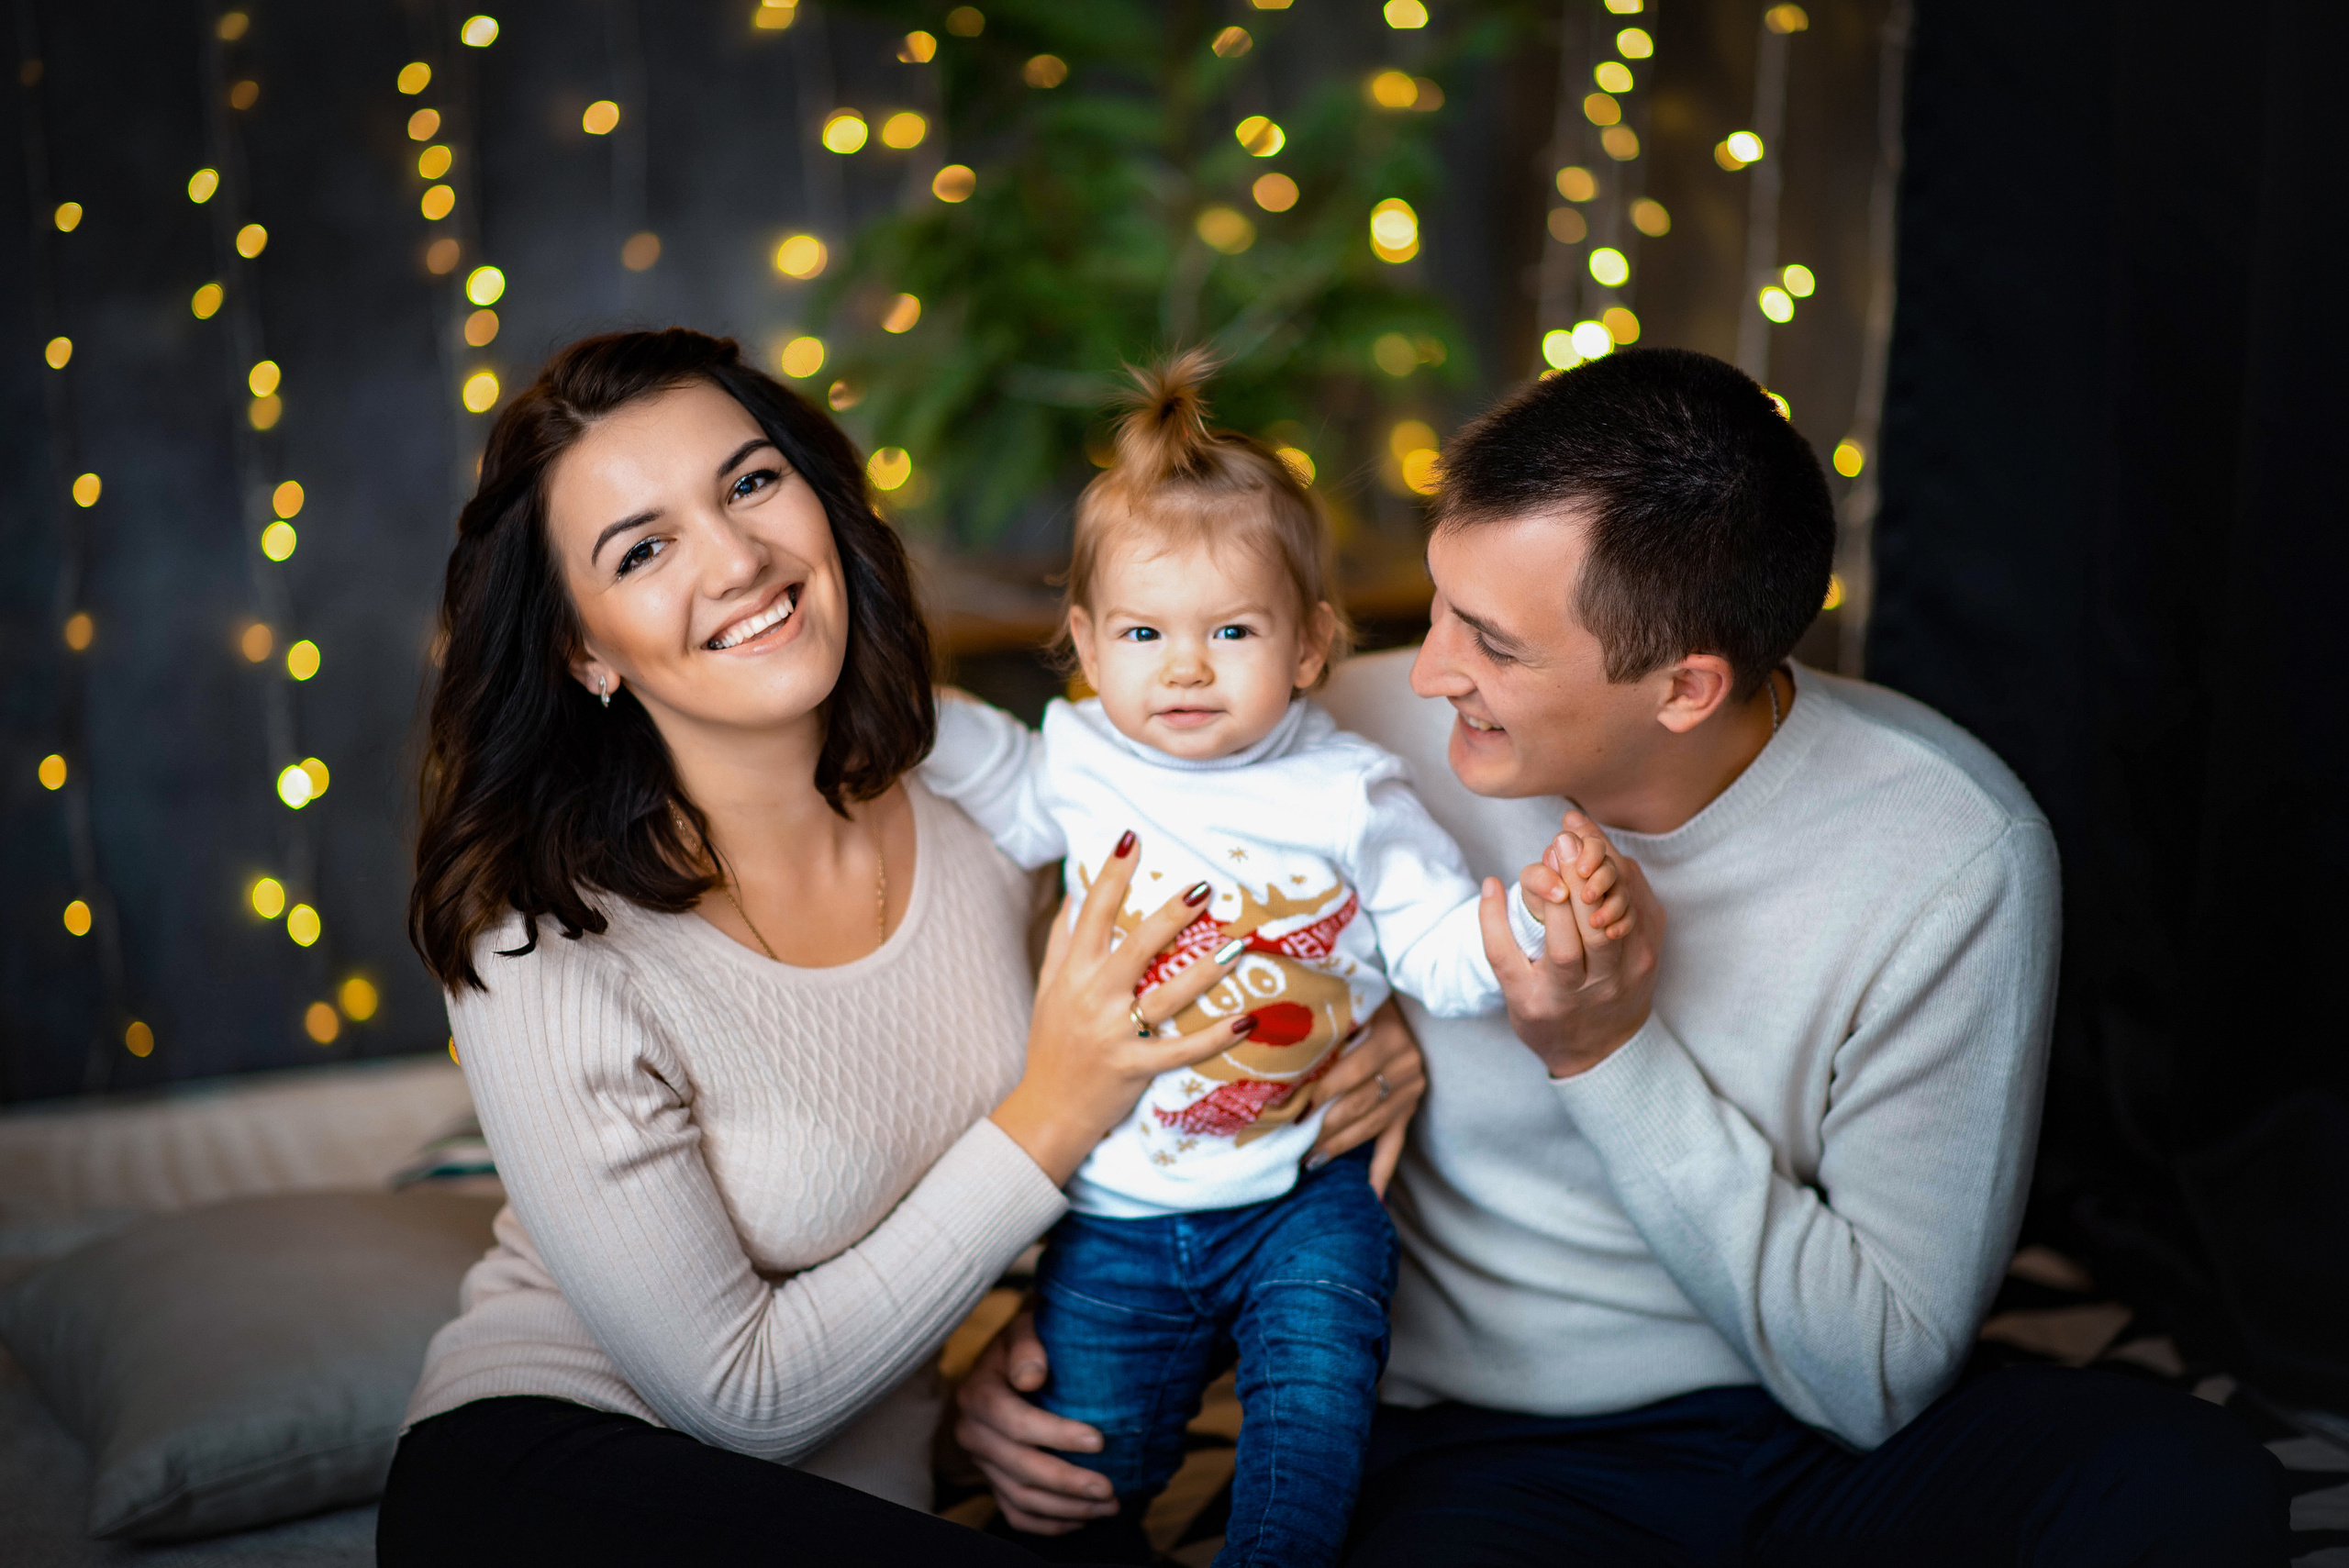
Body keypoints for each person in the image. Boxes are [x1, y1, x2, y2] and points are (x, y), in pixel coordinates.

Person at [951, 348, 2288, 1565]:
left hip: (1819, 1434)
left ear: (1684, 685)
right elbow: (1112, 991)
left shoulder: (1953, 848)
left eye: (1492, 641)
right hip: (1490, 1450)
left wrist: (1602, 1048)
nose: (1422, 672)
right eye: (1438, 606)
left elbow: (1877, 1370)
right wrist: (1051, 1356)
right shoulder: (1308, 744)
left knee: (2189, 1489)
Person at [374, 328, 1425, 1567]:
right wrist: (1055, 1107)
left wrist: (1365, 1010)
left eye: (752, 481)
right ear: (584, 648)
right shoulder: (545, 942)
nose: (738, 558)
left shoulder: (972, 780)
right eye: (645, 547)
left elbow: (1226, 893)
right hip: (555, 1472)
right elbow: (740, 1396)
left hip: (872, 1483)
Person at [918, 352, 1601, 1568]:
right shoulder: (1075, 761)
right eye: (1143, 631)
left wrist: (1528, 931)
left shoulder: (1347, 791)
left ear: (1309, 646)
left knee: (1314, 1416)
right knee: (1081, 1467)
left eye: (1231, 629)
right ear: (1082, 641)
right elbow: (957, 754)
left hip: (1303, 1189)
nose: (1185, 665)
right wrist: (877, 704)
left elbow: (1436, 947)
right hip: (1120, 1201)